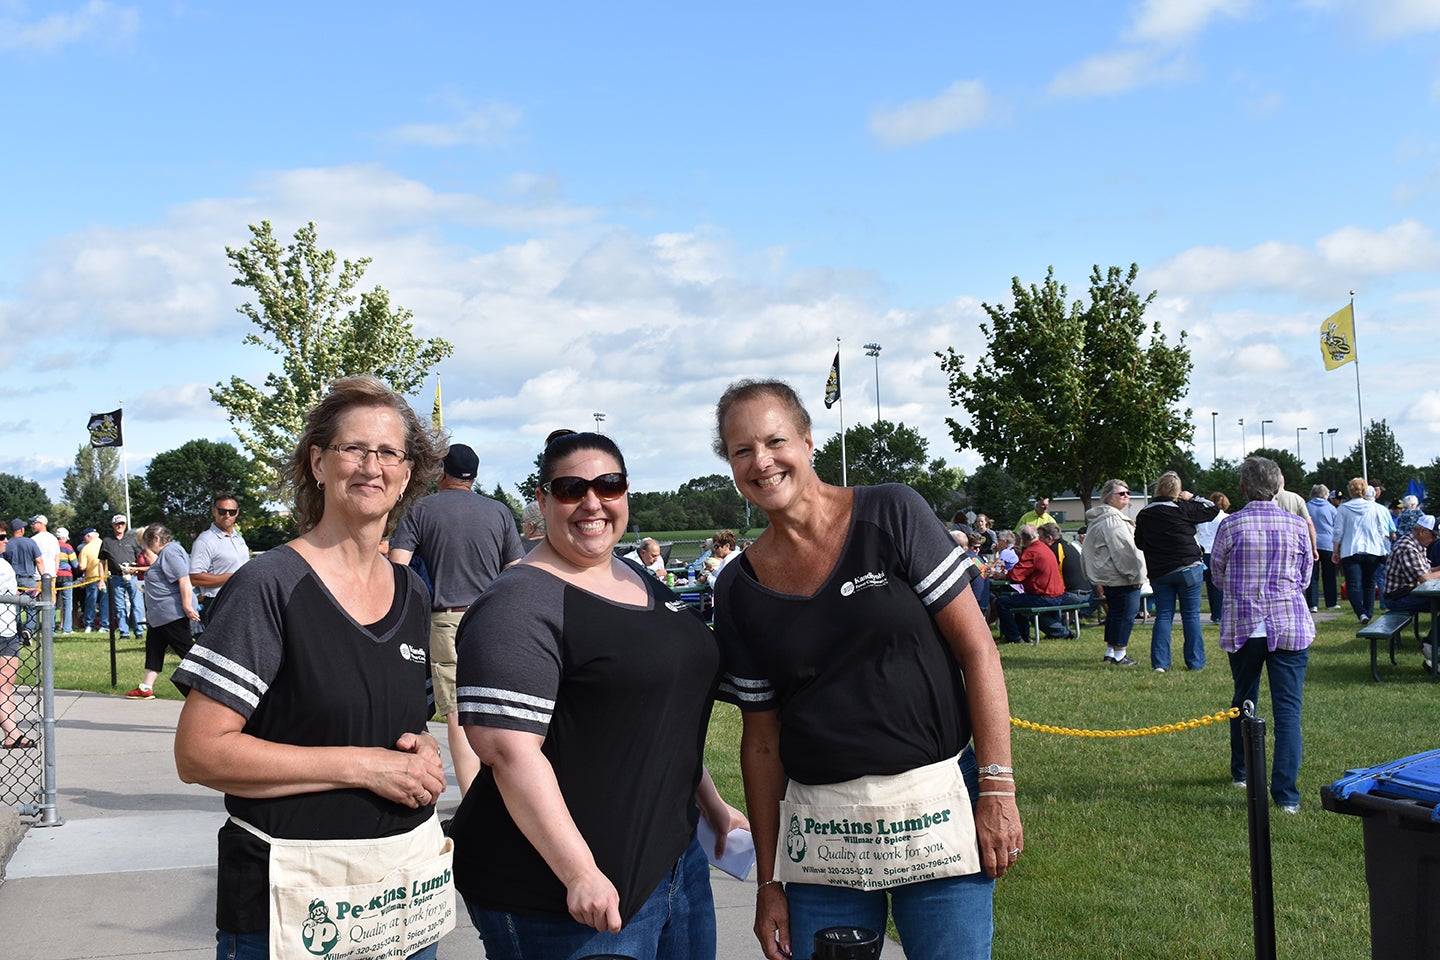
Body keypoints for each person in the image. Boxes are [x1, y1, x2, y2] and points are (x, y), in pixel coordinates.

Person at [710, 379, 1022, 960]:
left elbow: (979, 651)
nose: (762, 461)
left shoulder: (892, 512)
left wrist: (997, 788)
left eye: (775, 440)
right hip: (824, 843)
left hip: (935, 817)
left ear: (807, 440)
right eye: (741, 450)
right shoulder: (738, 587)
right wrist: (770, 882)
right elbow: (761, 743)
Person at [173, 374, 452, 960]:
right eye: (353, 448)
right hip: (292, 906)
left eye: (388, 453)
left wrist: (419, 753)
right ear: (319, 463)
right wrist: (363, 768)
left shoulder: (412, 592)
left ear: (407, 475)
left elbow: (395, 723)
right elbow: (199, 753)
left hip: (402, 900)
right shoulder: (269, 586)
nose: (370, 466)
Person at [448, 428, 744, 960]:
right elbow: (509, 752)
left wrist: (712, 803)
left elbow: (658, 715)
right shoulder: (518, 604)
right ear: (542, 499)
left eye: (609, 485)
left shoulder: (636, 577)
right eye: (570, 489)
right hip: (563, 896)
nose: (592, 502)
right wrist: (578, 870)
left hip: (672, 865)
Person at [388, 442, 524, 798]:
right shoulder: (499, 513)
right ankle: (509, 795)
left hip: (446, 621)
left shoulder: (422, 509)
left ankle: (470, 806)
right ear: (474, 476)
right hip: (494, 620)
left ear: (441, 473)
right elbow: (515, 572)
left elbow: (397, 567)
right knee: (499, 711)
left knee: (457, 716)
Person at [1211, 457, 1314, 814]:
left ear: (1243, 487)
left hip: (1244, 625)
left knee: (1244, 700)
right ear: (1279, 486)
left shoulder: (1231, 525)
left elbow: (1219, 575)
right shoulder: (1297, 525)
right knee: (1288, 711)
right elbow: (1304, 577)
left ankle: (1242, 771)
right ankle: (1286, 795)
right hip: (1289, 622)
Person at [1134, 472, 1219, 673]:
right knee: (1191, 615)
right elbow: (1212, 509)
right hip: (1188, 566)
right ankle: (1195, 662)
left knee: (1163, 615)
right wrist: (1192, 497)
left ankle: (1161, 664)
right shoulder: (1183, 508)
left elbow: (1139, 542)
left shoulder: (1145, 512)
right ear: (1177, 491)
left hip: (1159, 570)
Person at [124, 523, 199, 700]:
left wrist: (187, 606)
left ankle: (208, 689)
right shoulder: (169, 552)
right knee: (154, 648)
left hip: (171, 614)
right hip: (160, 617)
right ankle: (146, 687)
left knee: (187, 652)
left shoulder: (170, 552)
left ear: (156, 539)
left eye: (149, 543)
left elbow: (184, 579)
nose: (149, 549)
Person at [1083, 480, 1147, 666]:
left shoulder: (1103, 518)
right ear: (1108, 497)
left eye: (1127, 493)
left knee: (1115, 614)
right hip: (1121, 576)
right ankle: (1120, 654)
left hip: (1111, 575)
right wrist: (1135, 575)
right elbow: (1124, 551)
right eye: (1121, 493)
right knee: (1126, 613)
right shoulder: (1113, 521)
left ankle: (1111, 651)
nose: (1126, 496)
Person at [1380, 515, 1440, 667]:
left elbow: (1427, 570)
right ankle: (1432, 645)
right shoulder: (1407, 547)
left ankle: (1433, 644)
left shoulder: (1415, 545)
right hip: (1398, 598)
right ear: (1422, 531)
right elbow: (1425, 578)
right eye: (1433, 535)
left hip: (1408, 592)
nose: (1434, 539)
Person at [1333, 477, 1392, 625]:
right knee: (1370, 583)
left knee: (1353, 585)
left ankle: (1361, 613)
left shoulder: (1344, 508)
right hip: (1372, 549)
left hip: (1351, 549)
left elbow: (1338, 531)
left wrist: (1335, 550)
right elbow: (1382, 529)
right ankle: (1368, 612)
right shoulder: (1374, 507)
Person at [994, 525, 1069, 643]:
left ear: (1023, 539)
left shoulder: (1031, 552)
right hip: (1057, 593)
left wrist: (1001, 576)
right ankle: (1024, 635)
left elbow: (1015, 576)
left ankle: (1014, 637)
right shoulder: (1044, 548)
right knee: (1018, 600)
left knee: (1002, 602)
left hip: (1043, 595)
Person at [189, 493, 250, 624]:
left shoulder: (239, 539)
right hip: (218, 603)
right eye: (222, 511)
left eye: (231, 512)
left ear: (237, 513)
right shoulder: (205, 541)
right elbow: (195, 577)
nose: (227, 515)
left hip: (242, 601)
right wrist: (232, 577)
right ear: (214, 512)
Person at [0, 556, 35, 750]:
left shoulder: (4, 564)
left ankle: (11, 735)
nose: (4, 541)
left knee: (5, 685)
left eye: (4, 536)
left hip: (7, 630)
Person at [99, 515, 145, 639]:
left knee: (137, 604)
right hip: (116, 577)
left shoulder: (133, 539)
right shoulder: (107, 541)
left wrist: (135, 568)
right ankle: (124, 633)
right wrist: (101, 580)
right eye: (118, 524)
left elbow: (140, 558)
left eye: (122, 524)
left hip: (133, 577)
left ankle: (139, 631)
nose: (120, 526)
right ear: (113, 525)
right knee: (119, 606)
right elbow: (101, 561)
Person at [1195, 493, 1230, 623]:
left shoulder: (1203, 518)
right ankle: (1217, 614)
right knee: (1217, 586)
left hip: (1202, 552)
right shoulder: (1226, 518)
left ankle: (1197, 612)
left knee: (1201, 586)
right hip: (1218, 552)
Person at [1306, 484, 1340, 611]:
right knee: (1329, 575)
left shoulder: (1307, 506)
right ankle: (1331, 602)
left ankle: (1312, 603)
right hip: (1328, 544)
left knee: (1312, 575)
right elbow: (1336, 526)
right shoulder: (1331, 508)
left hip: (1311, 543)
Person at [77, 528, 108, 632]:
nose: (83, 539)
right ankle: (104, 625)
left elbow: (82, 566)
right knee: (104, 602)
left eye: (84, 537)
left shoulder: (86, 549)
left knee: (91, 602)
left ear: (89, 536)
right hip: (105, 577)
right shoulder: (105, 545)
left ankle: (89, 624)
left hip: (91, 579)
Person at [53, 526, 78, 633]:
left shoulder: (52, 546)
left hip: (54, 575)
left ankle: (51, 629)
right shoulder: (68, 547)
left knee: (53, 602)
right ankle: (67, 628)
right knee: (67, 602)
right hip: (66, 576)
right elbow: (75, 564)